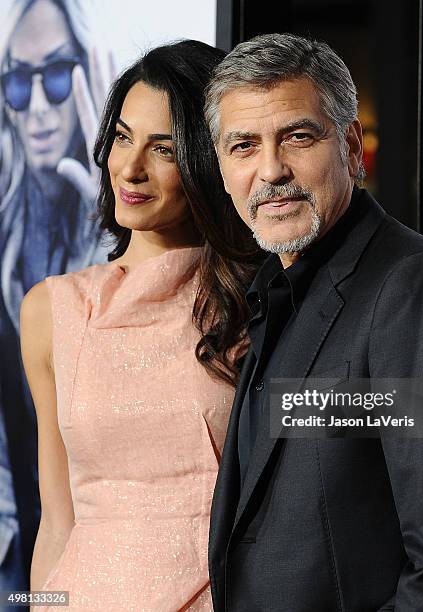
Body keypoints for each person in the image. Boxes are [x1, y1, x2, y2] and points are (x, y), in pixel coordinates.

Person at [204, 33, 423, 611]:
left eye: (298, 137)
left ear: (349, 147)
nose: (271, 169)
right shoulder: (273, 291)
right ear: (222, 169)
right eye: (243, 146)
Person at [20, 41, 260, 611]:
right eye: (123, 138)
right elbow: (57, 521)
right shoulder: (52, 312)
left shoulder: (252, 302)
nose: (130, 168)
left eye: (164, 149)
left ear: (206, 160)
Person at [0, 0, 111, 583]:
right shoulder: (4, 227)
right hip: (19, 554)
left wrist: (115, 234)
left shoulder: (125, 228)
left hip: (105, 545)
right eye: (18, 80)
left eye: (57, 74)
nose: (37, 106)